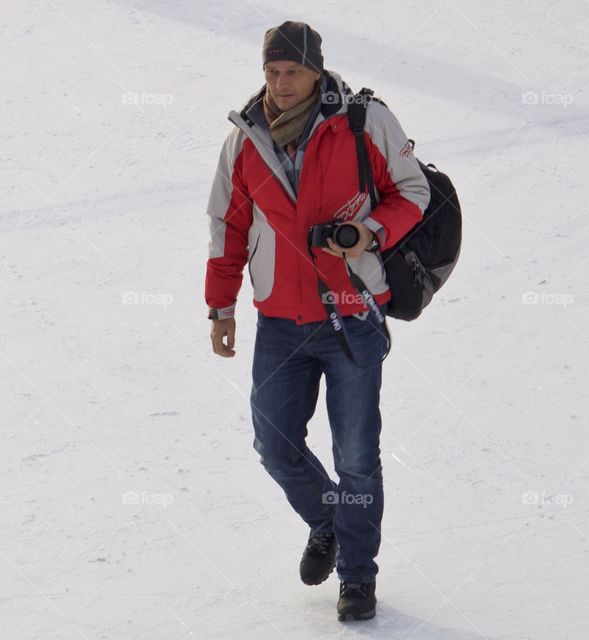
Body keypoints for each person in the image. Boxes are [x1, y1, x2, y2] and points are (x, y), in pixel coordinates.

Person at [203, 20, 430, 622]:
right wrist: (220, 307)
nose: (280, 83)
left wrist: (366, 233)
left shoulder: (363, 121)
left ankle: (357, 576)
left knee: (357, 455)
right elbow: (227, 226)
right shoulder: (245, 137)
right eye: (272, 72)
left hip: (352, 314)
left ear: (317, 69)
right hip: (280, 318)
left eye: (292, 72)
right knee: (273, 443)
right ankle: (329, 518)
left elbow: (413, 190)